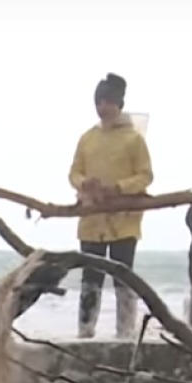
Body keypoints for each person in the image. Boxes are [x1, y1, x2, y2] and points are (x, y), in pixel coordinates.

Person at [67, 73, 154, 339]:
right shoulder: (87, 138)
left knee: (123, 280)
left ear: (119, 104)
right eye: (98, 101)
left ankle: (125, 334)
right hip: (92, 220)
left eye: (107, 101)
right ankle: (85, 333)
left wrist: (119, 188)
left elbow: (145, 175)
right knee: (90, 281)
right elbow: (73, 173)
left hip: (124, 220)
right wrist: (85, 184)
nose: (102, 107)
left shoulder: (134, 139)